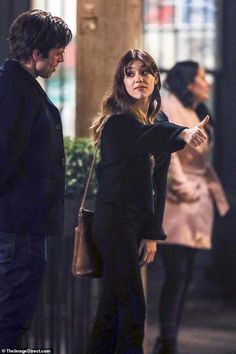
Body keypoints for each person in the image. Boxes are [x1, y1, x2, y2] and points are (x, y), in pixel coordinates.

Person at [87, 49, 209, 354]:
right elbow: (146, 136)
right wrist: (183, 132)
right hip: (112, 221)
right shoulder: (117, 123)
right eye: (130, 73)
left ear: (156, 78)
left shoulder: (159, 120)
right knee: (132, 308)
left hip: (135, 223)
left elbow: (158, 181)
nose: (137, 78)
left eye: (144, 72)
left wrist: (152, 233)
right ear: (122, 82)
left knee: (111, 308)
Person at [0, 10, 72, 347]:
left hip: (20, 226)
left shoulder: (18, 86)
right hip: (17, 228)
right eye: (57, 51)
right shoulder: (14, 91)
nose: (61, 58)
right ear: (35, 53)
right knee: (11, 320)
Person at [152, 61, 229, 354]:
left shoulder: (198, 110)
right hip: (178, 202)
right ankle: (167, 339)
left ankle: (169, 337)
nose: (206, 81)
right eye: (200, 77)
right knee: (176, 273)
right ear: (187, 84)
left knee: (184, 274)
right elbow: (168, 153)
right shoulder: (170, 107)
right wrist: (184, 189)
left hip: (196, 201)